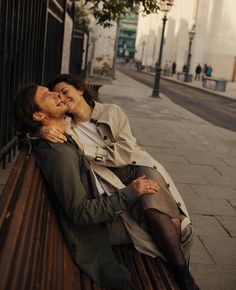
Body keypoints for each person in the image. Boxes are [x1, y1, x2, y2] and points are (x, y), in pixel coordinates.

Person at [41, 74, 199, 290]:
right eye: (58, 95)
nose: (62, 97)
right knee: (172, 224)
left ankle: (183, 279)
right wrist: (42, 129)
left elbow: (125, 152)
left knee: (151, 195)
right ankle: (183, 277)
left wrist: (86, 150)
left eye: (65, 91)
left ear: (79, 89)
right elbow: (32, 128)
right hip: (115, 185)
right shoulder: (68, 127)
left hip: (137, 168)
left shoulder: (112, 112)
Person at [13, 83, 161, 290]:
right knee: (162, 226)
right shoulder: (60, 155)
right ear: (38, 116)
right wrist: (132, 191)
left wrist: (38, 132)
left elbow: (24, 136)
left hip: (100, 222)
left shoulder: (59, 137)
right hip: (94, 238)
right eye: (47, 95)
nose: (57, 94)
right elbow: (81, 213)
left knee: (160, 220)